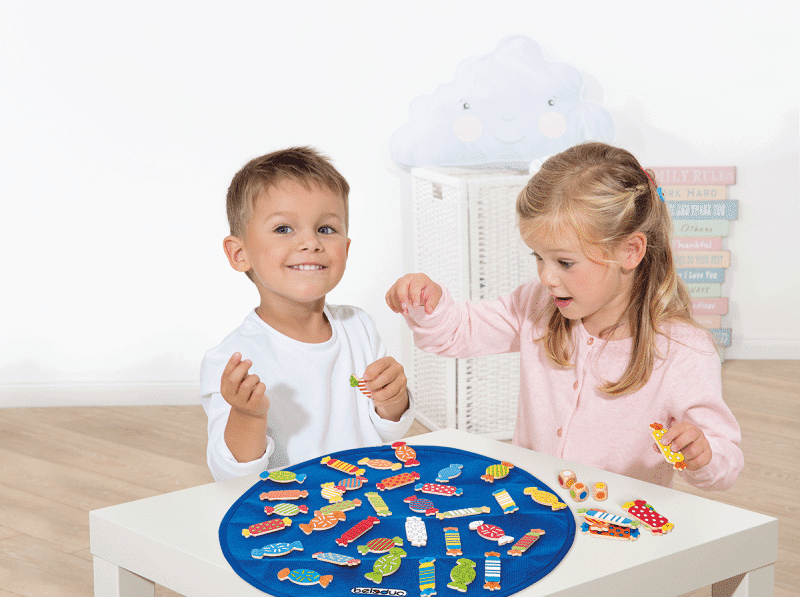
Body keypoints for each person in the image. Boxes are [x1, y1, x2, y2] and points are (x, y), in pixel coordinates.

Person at [386, 142, 743, 490]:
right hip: (533, 502)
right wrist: (427, 304)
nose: (546, 277)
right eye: (538, 257)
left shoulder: (683, 349)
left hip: (616, 520)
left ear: (630, 250)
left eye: (565, 262)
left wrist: (703, 455)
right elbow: (460, 331)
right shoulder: (536, 304)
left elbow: (724, 460)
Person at [201, 146, 414, 481]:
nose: (311, 243)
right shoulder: (232, 360)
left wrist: (393, 400)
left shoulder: (359, 327)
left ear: (345, 249)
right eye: (283, 229)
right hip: (289, 506)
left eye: (326, 229)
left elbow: (389, 431)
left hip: (368, 496)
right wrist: (247, 415)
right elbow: (231, 475)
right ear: (240, 253)